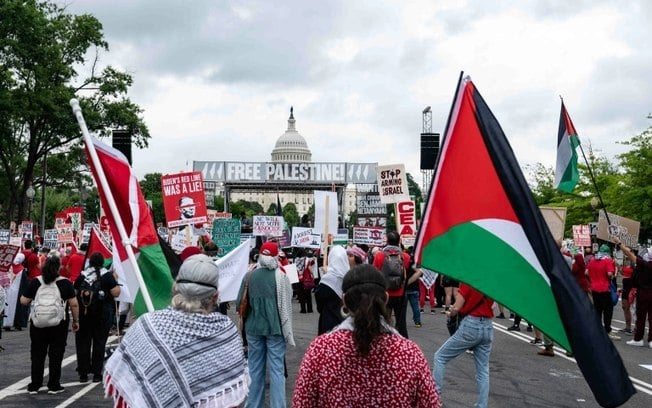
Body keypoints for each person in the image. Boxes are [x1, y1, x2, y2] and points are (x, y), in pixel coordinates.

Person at [104, 254, 249, 407]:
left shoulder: (147, 326)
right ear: (215, 296)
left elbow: (126, 389)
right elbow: (233, 399)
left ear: (175, 289)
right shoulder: (226, 332)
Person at [293, 264, 440, 407]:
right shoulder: (410, 353)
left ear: (344, 300)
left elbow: (302, 402)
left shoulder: (320, 350)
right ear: (386, 298)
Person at [236, 241, 294, 408]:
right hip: (275, 328)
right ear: (276, 256)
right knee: (277, 370)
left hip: (253, 328)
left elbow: (240, 301)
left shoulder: (249, 275)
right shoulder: (281, 276)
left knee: (254, 368)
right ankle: (278, 405)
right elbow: (287, 302)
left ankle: (254, 404)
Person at [20, 253, 80, 395]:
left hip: (38, 324)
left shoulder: (36, 281)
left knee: (37, 354)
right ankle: (54, 384)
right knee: (56, 354)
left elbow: (23, 300)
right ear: (58, 268)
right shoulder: (65, 283)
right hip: (59, 324)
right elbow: (74, 304)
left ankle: (35, 384)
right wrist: (76, 321)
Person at [434, 283, 494, 408]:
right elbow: (493, 305)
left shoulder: (469, 281)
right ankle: (482, 405)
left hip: (471, 325)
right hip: (488, 326)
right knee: (483, 370)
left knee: (440, 357)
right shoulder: (490, 281)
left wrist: (450, 314)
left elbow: (456, 307)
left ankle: (434, 397)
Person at [74, 252, 120, 383]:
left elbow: (75, 293)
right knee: (99, 343)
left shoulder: (83, 276)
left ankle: (83, 373)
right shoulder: (107, 275)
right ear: (102, 262)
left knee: (83, 344)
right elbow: (116, 292)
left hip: (84, 314)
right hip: (102, 315)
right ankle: (97, 373)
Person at [372, 231, 412, 337]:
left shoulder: (379, 256)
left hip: (385, 294)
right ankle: (403, 344)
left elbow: (374, 274)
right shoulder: (405, 257)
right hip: (401, 294)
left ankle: (384, 342)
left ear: (387, 241)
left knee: (384, 321)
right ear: (399, 241)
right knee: (401, 322)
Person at [618, 238, 652, 348]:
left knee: (641, 317)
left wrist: (619, 242)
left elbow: (629, 253)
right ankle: (651, 340)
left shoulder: (644, 265)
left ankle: (638, 339)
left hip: (643, 292)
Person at [314, 245, 350, 334]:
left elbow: (319, 305)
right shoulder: (350, 278)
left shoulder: (326, 280)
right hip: (347, 321)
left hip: (328, 321)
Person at [586, 244, 618, 339]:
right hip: (605, 289)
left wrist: (593, 279)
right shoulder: (608, 261)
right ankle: (607, 330)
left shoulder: (592, 260)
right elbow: (609, 274)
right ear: (608, 253)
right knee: (608, 311)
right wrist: (613, 275)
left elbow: (586, 272)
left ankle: (597, 330)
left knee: (598, 310)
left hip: (594, 289)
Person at [619, 258, 634, 334]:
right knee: (625, 307)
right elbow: (623, 273)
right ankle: (627, 327)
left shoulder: (634, 262)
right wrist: (619, 268)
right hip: (625, 286)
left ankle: (634, 328)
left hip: (631, 287)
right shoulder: (624, 261)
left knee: (631, 309)